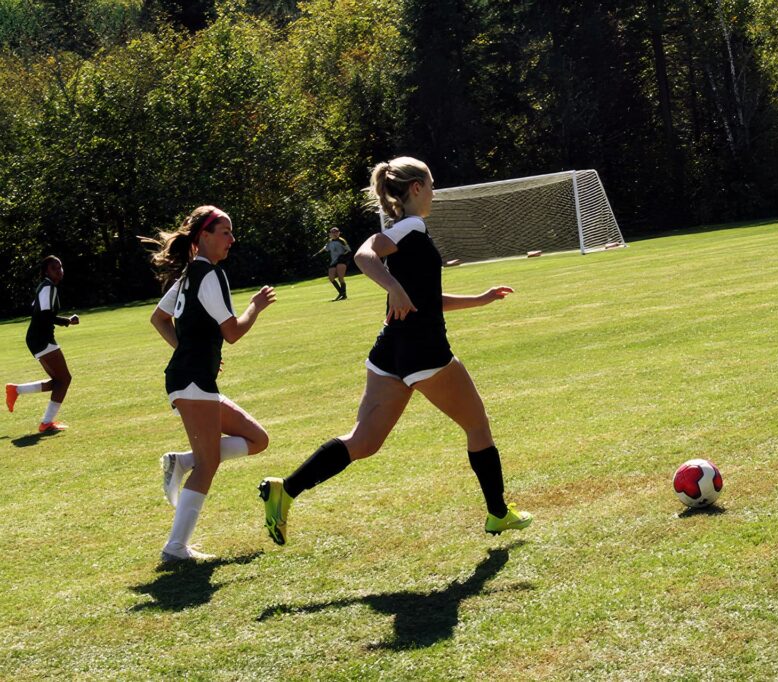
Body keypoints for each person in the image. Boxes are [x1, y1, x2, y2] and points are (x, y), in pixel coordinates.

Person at [259, 156, 532, 545]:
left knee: (363, 442)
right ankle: (498, 513)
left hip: (391, 351)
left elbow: (422, 299)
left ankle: (284, 490)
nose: (434, 193)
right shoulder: (412, 227)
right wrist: (393, 288)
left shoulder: (407, 232)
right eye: (432, 185)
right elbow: (364, 255)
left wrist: (480, 298)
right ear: (416, 188)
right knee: (477, 426)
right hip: (425, 351)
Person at [146, 205, 277, 563]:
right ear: (204, 236)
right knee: (210, 463)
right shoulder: (210, 275)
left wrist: (187, 348)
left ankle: (181, 461)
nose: (232, 239)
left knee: (258, 439)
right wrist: (255, 307)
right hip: (191, 380)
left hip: (193, 379)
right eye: (225, 232)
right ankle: (175, 548)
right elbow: (232, 332)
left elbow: (159, 319)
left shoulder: (189, 275)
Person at [6, 255, 79, 433]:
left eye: (60, 267)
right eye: (55, 268)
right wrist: (67, 321)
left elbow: (36, 308)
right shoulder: (48, 287)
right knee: (65, 380)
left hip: (38, 338)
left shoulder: (45, 287)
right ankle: (46, 423)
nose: (59, 271)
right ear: (46, 271)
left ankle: (16, 390)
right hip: (41, 339)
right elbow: (45, 315)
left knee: (59, 382)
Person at [313, 227, 352, 300]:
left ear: (339, 233)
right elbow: (325, 248)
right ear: (330, 234)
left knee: (341, 278)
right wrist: (317, 254)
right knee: (331, 278)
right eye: (333, 232)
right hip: (334, 261)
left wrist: (343, 256)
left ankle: (343, 295)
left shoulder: (342, 241)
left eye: (336, 232)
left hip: (341, 261)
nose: (335, 234)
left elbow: (349, 250)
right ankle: (342, 293)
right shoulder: (329, 241)